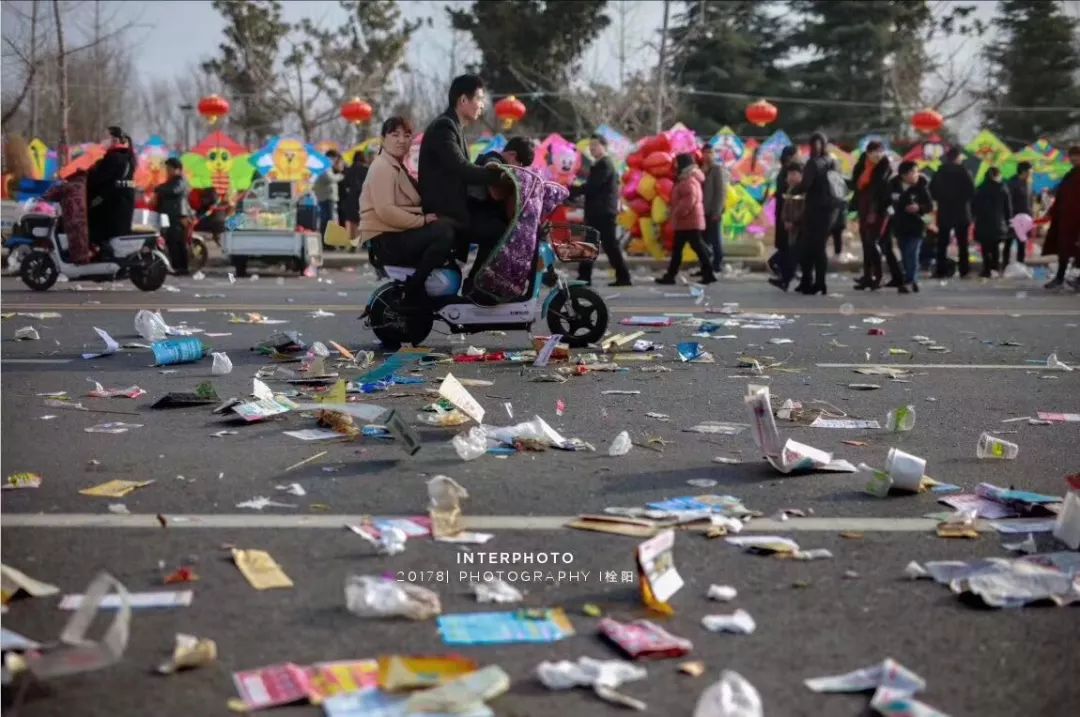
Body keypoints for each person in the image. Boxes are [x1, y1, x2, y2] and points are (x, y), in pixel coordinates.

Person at [359, 116, 455, 308]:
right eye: (395, 135)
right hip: (387, 241)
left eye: (407, 135)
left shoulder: (398, 167)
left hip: (396, 235)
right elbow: (386, 211)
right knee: (445, 232)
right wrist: (422, 220)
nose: (401, 140)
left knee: (449, 226)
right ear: (383, 139)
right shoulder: (382, 167)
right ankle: (414, 288)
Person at [418, 74, 503, 274]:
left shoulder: (454, 127)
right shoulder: (444, 127)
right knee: (498, 231)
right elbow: (461, 167)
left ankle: (476, 283)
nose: (482, 106)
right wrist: (497, 177)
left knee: (496, 220)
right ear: (463, 100)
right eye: (479, 99)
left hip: (455, 207)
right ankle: (476, 284)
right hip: (446, 210)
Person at [464, 136, 535, 287]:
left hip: (484, 217)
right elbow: (495, 188)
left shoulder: (506, 167)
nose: (520, 169)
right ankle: (474, 284)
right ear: (513, 155)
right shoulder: (492, 158)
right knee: (499, 233)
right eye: (520, 164)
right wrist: (499, 171)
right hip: (472, 216)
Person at [572, 134, 632, 286]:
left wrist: (573, 190)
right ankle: (585, 277)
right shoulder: (599, 164)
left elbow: (593, 186)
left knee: (608, 245)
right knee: (592, 244)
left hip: (603, 212)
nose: (592, 148)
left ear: (604, 147)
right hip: (598, 211)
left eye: (595, 145)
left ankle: (623, 276)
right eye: (590, 145)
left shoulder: (604, 164)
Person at [656, 153, 716, 284]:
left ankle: (707, 273)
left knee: (694, 248)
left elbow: (689, 199)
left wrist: (677, 213)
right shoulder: (687, 178)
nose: (675, 165)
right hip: (687, 221)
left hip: (689, 220)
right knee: (682, 248)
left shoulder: (688, 179)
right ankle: (671, 275)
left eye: (677, 162)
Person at [794, 131, 839, 295]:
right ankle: (819, 282)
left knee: (810, 247)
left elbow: (805, 185)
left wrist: (795, 187)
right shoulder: (833, 162)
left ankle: (810, 281)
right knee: (819, 247)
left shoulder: (813, 163)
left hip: (815, 210)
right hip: (831, 210)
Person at [850, 141, 896, 290]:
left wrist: (874, 212)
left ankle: (879, 276)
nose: (877, 154)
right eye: (874, 151)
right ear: (868, 153)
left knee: (872, 242)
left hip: (879, 209)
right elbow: (855, 185)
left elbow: (881, 193)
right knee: (865, 243)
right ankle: (867, 276)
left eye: (880, 151)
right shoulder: (862, 165)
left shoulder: (885, 168)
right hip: (863, 207)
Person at [86, 126, 136, 255]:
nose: (103, 141)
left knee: (96, 228)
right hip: (121, 203)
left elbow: (98, 178)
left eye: (106, 138)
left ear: (114, 140)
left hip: (110, 203)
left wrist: (88, 173)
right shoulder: (127, 157)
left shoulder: (114, 158)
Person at [929, 146, 975, 278]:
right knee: (963, 243)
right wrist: (962, 200)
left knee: (942, 243)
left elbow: (932, 191)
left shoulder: (939, 172)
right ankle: (964, 270)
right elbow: (971, 191)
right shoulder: (965, 172)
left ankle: (941, 270)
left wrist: (943, 199)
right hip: (961, 211)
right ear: (957, 157)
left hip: (945, 211)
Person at [887, 160, 932, 294]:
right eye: (912, 172)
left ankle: (909, 281)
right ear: (903, 175)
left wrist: (918, 208)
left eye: (916, 172)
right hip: (900, 226)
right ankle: (912, 280)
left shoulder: (922, 187)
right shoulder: (893, 186)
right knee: (905, 255)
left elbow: (929, 206)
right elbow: (887, 201)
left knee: (911, 253)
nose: (915, 175)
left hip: (916, 226)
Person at [1042, 145, 1080, 291]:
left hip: (1077, 221)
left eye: (1077, 156)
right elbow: (1062, 196)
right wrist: (1052, 210)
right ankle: (1059, 278)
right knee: (1063, 250)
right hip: (1066, 219)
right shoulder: (1070, 174)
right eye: (1072, 156)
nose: (1074, 159)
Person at [153, 158, 191, 275]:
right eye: (167, 169)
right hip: (169, 216)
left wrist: (158, 189)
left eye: (170, 169)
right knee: (171, 242)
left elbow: (174, 191)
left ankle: (182, 267)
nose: (168, 171)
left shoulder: (181, 181)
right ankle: (176, 266)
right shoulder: (169, 182)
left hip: (178, 216)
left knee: (177, 242)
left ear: (178, 170)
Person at [768, 145, 799, 290]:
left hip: (786, 214)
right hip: (786, 214)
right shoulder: (788, 172)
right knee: (787, 246)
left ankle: (784, 274)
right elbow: (785, 195)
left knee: (788, 247)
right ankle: (783, 274)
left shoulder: (784, 171)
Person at [972, 166, 1012, 278]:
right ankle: (994, 268)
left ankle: (986, 268)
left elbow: (973, 207)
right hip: (998, 223)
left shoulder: (980, 188)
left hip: (982, 222)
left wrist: (974, 218)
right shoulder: (1003, 188)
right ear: (997, 175)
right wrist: (1009, 222)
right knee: (995, 247)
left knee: (985, 247)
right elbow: (1008, 208)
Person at [699, 143, 727, 275]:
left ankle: (717, 263)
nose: (708, 155)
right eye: (705, 152)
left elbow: (720, 192)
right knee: (704, 239)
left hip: (713, 210)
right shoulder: (701, 169)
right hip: (702, 210)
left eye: (710, 152)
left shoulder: (717, 169)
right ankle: (706, 264)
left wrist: (717, 211)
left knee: (715, 239)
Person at [1003, 161, 1033, 268]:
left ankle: (1021, 264)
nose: (1031, 173)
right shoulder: (1012, 183)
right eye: (1030, 171)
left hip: (1025, 218)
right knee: (1009, 242)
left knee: (1022, 243)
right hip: (1014, 218)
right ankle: (1005, 265)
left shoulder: (1028, 183)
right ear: (1024, 171)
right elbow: (1007, 202)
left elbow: (1029, 202)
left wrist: (1031, 216)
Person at [313, 149, 344, 246]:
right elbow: (330, 178)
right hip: (326, 197)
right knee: (329, 220)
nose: (335, 161)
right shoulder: (325, 167)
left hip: (327, 196)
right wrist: (341, 176)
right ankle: (328, 242)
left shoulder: (326, 166)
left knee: (328, 220)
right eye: (334, 158)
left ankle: (328, 242)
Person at [339, 152, 369, 244]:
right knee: (360, 220)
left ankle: (352, 241)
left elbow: (344, 183)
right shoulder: (367, 169)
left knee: (352, 220)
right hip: (363, 196)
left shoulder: (348, 170)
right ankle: (359, 241)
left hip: (351, 197)